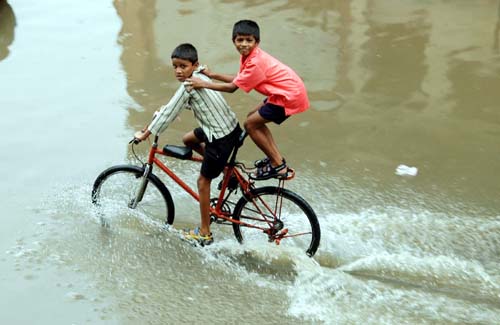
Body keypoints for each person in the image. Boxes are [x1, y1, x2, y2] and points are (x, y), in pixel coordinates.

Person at [134, 43, 241, 246]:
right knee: (188, 139)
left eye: (183, 66)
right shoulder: (201, 74)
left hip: (220, 137)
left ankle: (204, 232)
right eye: (175, 66)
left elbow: (169, 113)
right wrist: (165, 112)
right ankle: (226, 169)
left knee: (203, 182)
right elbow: (174, 106)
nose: (178, 71)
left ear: (194, 65)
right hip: (229, 128)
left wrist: (145, 132)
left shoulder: (188, 87)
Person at [186, 19, 309, 180]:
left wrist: (202, 84)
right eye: (240, 40)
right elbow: (238, 79)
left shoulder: (256, 62)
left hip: (288, 96)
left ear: (257, 42)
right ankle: (275, 158)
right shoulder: (249, 56)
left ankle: (278, 165)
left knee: (250, 124)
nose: (244, 44)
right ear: (234, 41)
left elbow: (232, 88)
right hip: (285, 92)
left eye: (249, 40)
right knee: (253, 115)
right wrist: (212, 75)